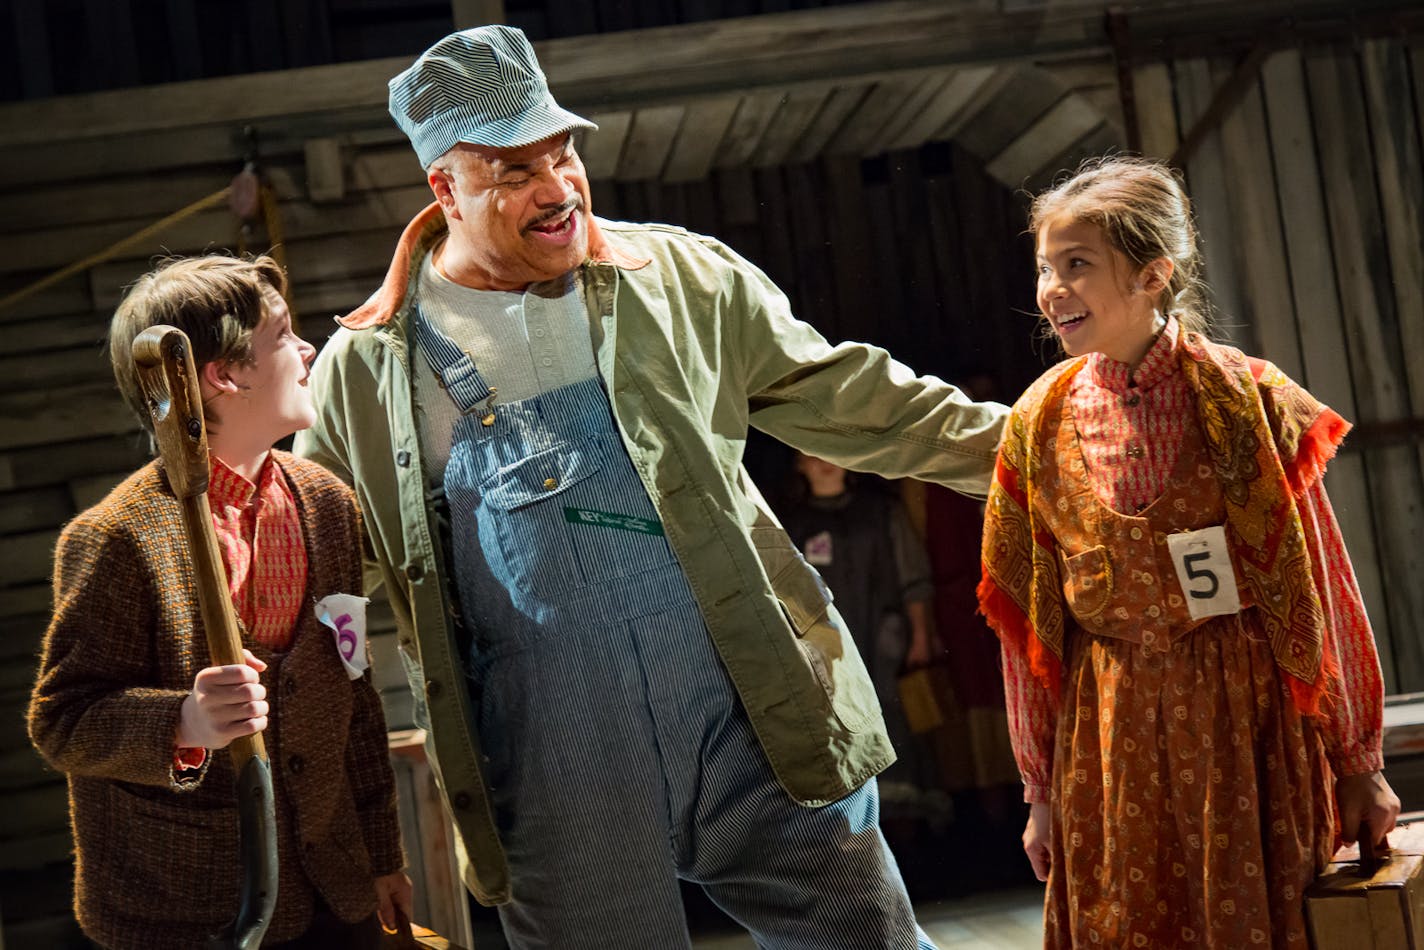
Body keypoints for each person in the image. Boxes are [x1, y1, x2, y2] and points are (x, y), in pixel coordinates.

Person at [294, 24, 1007, 950]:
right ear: (444, 187)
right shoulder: (367, 368)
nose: (556, 191)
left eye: (561, 154)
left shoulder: (676, 279)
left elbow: (858, 399)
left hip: (753, 703)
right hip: (553, 761)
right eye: (512, 172)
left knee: (864, 936)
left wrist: (1038, 452)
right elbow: (315, 579)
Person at [977, 156, 1400, 947]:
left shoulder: (1251, 399)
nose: (1052, 290)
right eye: (1044, 268)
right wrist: (1039, 788)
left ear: (1151, 274)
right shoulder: (1037, 422)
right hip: (1107, 742)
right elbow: (1031, 633)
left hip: (1247, 733)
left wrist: (1357, 758)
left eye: (1077, 266)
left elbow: (1324, 589)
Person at [27, 255, 412, 949]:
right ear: (224, 375)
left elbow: (354, 698)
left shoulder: (325, 504)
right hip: (190, 914)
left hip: (335, 891)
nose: (307, 350)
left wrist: (381, 856)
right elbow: (63, 721)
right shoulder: (119, 537)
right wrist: (183, 721)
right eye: (285, 336)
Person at [778, 454, 952, 873]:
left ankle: (915, 856)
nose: (822, 462)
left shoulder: (881, 510)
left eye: (827, 454)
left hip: (884, 641)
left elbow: (913, 578)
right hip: (827, 651)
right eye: (809, 455)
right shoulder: (791, 523)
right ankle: (859, 855)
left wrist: (922, 635)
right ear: (798, 464)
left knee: (896, 731)